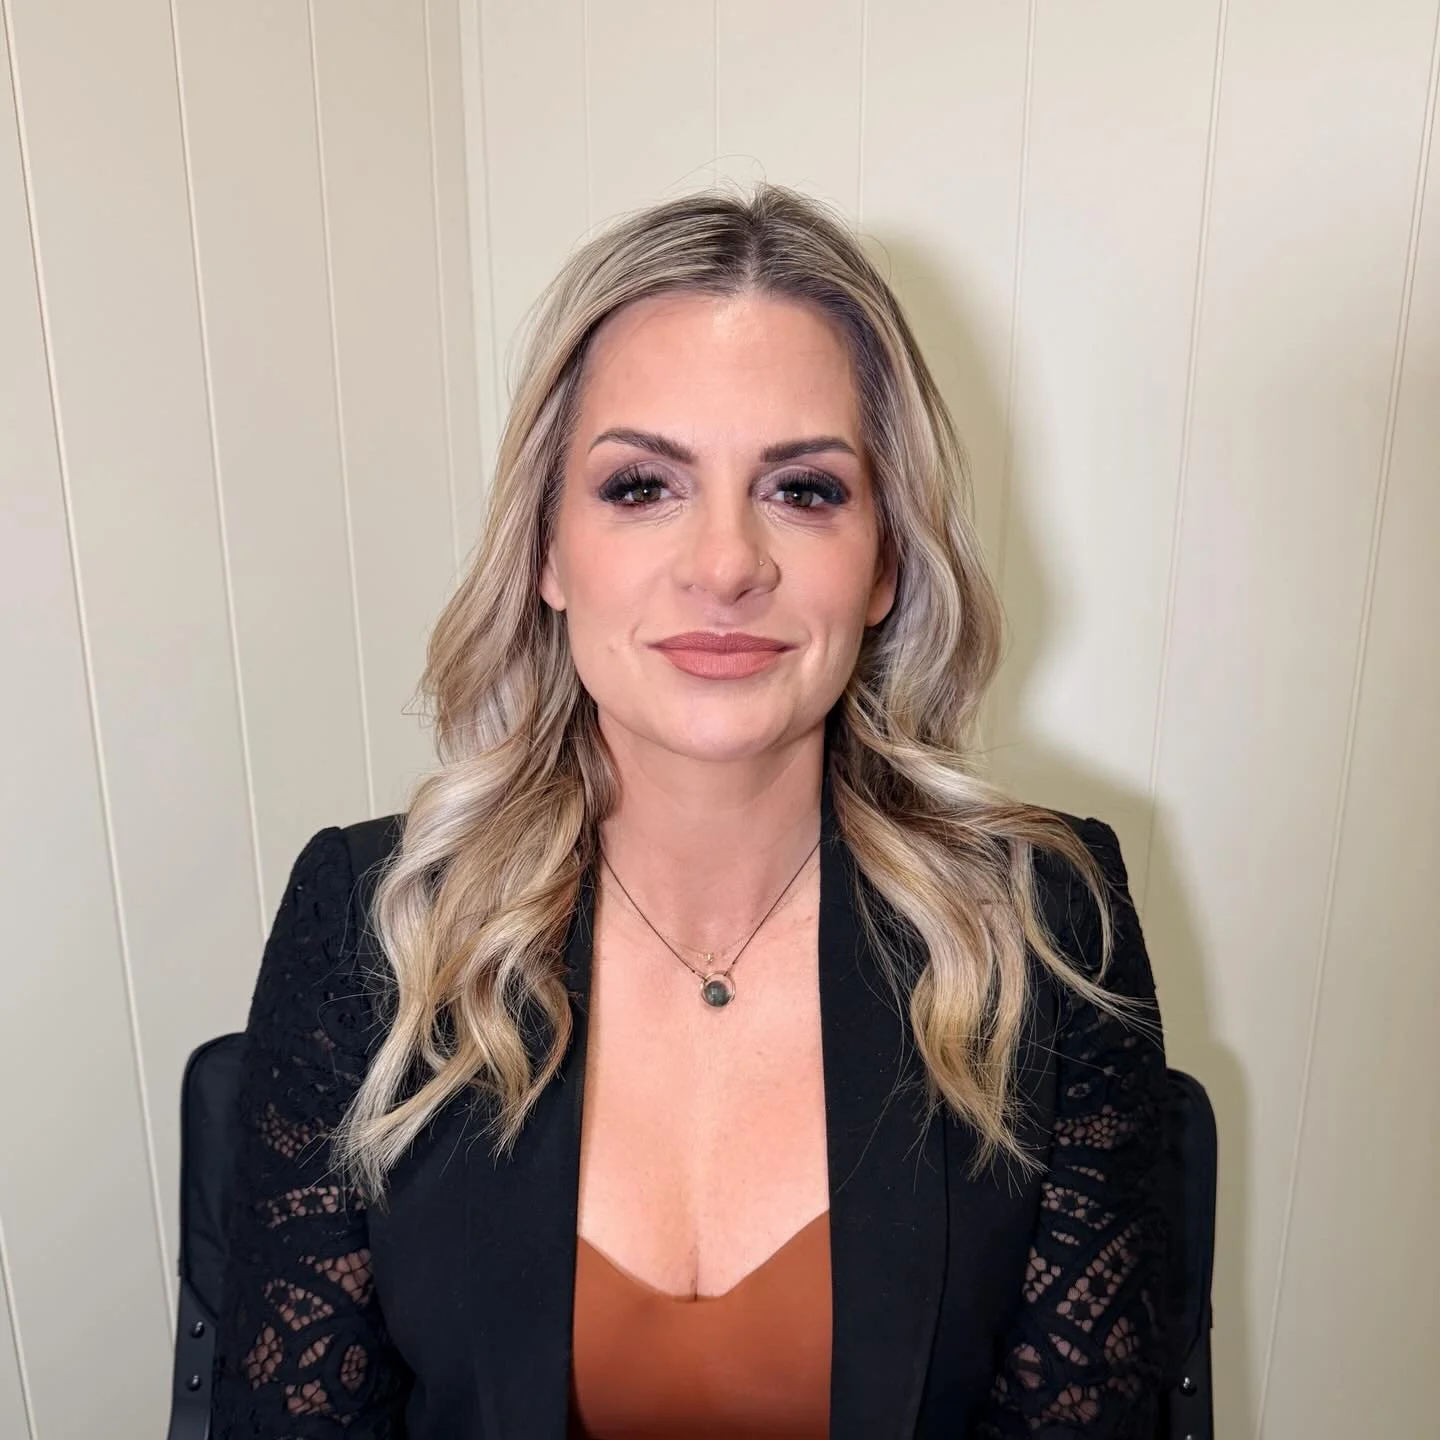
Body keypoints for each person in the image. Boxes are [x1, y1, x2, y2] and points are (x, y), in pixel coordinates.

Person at [211, 184, 1171, 1439]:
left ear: (886, 560)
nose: (726, 563)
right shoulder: (372, 926)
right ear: (548, 552)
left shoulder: (1047, 925)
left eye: (806, 490)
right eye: (642, 486)